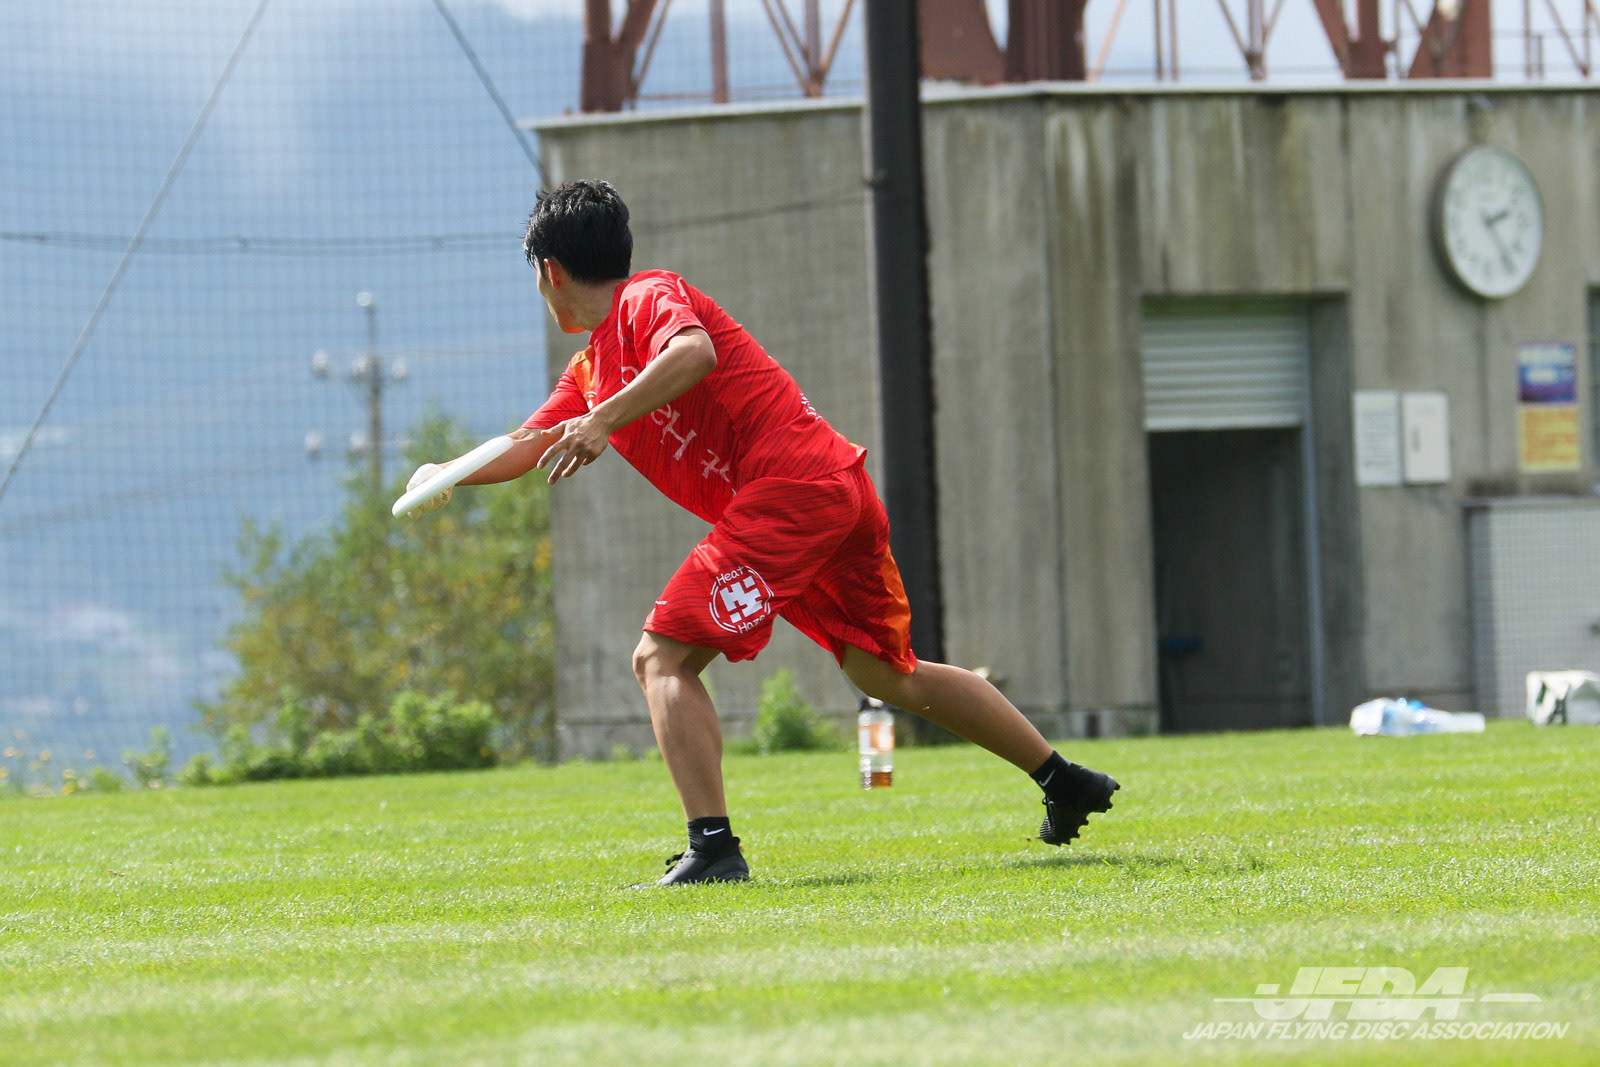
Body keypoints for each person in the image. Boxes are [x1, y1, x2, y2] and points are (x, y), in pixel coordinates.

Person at [407, 180, 1119, 887]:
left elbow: (693, 353)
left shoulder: (647, 297)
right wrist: (445, 474)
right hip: (830, 490)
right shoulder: (591, 370)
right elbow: (528, 445)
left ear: (549, 271)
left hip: (792, 493)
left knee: (660, 659)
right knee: (884, 673)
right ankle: (1064, 779)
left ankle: (713, 848)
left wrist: (602, 421)